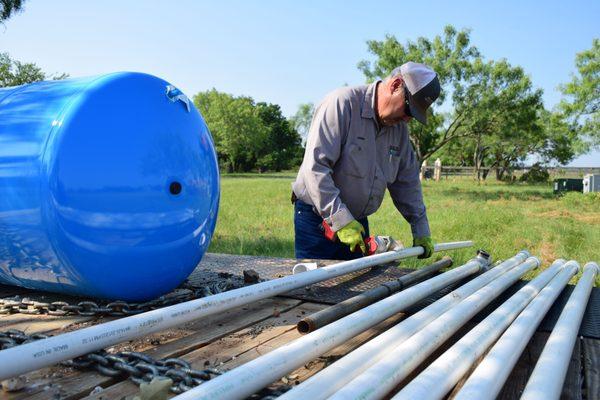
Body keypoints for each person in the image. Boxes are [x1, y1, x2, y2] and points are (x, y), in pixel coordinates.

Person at [291, 62, 440, 260]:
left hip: (357, 223)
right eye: (408, 109)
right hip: (316, 220)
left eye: (413, 115)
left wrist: (421, 229)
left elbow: (407, 182)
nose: (407, 120)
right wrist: (340, 220)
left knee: (356, 286)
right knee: (314, 287)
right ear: (395, 85)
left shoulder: (398, 130)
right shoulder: (341, 104)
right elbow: (315, 168)